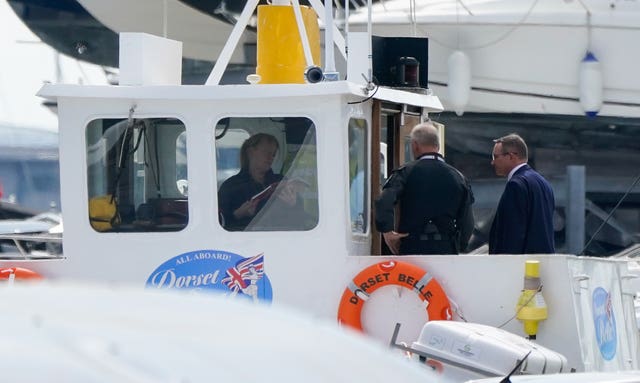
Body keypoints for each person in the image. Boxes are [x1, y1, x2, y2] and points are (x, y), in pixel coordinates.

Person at [375, 122, 474, 255]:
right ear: (438, 146)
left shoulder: (405, 173)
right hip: (446, 249)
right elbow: (467, 221)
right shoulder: (459, 177)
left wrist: (387, 232)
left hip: (412, 247)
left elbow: (384, 201)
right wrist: (460, 245)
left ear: (415, 145)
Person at [489, 133, 555, 254]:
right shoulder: (544, 183)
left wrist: (503, 264)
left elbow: (512, 232)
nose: (492, 162)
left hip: (521, 265)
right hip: (543, 261)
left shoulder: (516, 185)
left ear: (511, 156)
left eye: (495, 157)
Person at [218, 133, 300, 231]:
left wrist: (293, 205)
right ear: (250, 152)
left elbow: (303, 219)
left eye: (273, 154)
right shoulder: (230, 186)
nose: (270, 158)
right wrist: (237, 215)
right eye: (266, 152)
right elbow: (219, 225)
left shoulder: (282, 181)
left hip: (281, 240)